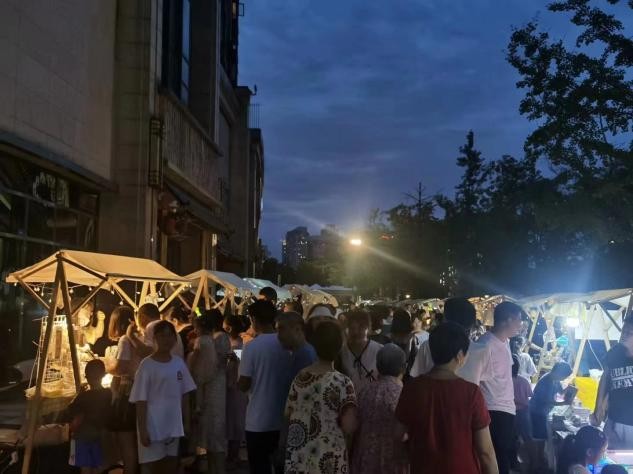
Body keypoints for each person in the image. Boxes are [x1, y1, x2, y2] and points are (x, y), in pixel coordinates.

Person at [395, 322, 498, 474]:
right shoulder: (471, 393)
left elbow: (398, 434)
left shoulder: (412, 388)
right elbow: (485, 452)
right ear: (459, 355)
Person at [284, 320, 358, 473]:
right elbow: (349, 426)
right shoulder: (343, 383)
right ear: (340, 346)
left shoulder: (300, 378)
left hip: (299, 457)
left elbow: (288, 415)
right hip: (330, 458)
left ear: (315, 345)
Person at [129, 320, 196, 473]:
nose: (166, 339)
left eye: (170, 335)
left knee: (170, 464)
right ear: (155, 338)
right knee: (150, 466)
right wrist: (143, 430)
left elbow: (185, 395)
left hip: (173, 425)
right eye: (162, 336)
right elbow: (140, 400)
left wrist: (186, 422)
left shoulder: (178, 364)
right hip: (152, 425)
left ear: (175, 339)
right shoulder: (146, 365)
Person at [238, 300, 292, 474]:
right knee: (282, 466)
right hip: (283, 418)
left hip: (258, 420)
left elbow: (244, 383)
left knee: (259, 467)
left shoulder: (252, 347)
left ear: (253, 319)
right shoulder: (287, 344)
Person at [478, 301, 524, 474]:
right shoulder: (485, 345)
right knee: (496, 459)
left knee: (503, 456)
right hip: (493, 409)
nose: (520, 324)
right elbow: (475, 380)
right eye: (519, 320)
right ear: (508, 320)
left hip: (506, 409)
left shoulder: (505, 342)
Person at [351, 344, 409, 474]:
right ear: (403, 368)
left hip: (364, 463)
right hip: (393, 465)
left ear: (377, 366)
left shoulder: (364, 392)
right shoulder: (404, 396)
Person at [410, 297, 493, 386]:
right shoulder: (482, 351)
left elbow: (415, 376)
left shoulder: (428, 346)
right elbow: (484, 380)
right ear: (472, 322)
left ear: (445, 320)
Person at [188, 310, 227, 474]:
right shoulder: (214, 339)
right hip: (215, 384)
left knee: (213, 430)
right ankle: (214, 467)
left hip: (211, 386)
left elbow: (202, 364)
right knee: (213, 431)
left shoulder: (213, 339)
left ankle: (217, 468)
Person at [103, 305, 140, 474]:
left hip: (127, 392)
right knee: (133, 442)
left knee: (126, 442)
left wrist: (106, 366)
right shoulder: (139, 337)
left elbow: (121, 368)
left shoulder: (125, 339)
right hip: (137, 391)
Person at [591, 316, 633, 449]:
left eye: (629, 332)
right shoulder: (614, 353)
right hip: (613, 419)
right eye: (623, 331)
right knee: (607, 454)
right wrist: (598, 409)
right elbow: (605, 381)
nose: (624, 335)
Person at [66, 359, 112, 474]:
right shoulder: (108, 394)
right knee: (98, 468)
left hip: (82, 437)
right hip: (100, 436)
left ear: (86, 377)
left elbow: (76, 416)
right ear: (103, 375)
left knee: (85, 468)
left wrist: (71, 431)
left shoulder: (83, 397)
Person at [223, 314, 248, 467]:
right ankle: (232, 455)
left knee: (235, 423)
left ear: (229, 328)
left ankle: (233, 456)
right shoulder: (237, 344)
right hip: (233, 388)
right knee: (233, 422)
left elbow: (239, 363)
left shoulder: (238, 346)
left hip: (235, 389)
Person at [339, 310, 383, 392]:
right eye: (352, 328)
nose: (356, 332)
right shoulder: (341, 352)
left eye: (361, 327)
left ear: (368, 328)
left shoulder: (380, 350)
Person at [530, 362, 574, 440]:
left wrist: (569, 389)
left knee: (543, 437)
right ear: (559, 372)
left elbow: (561, 392)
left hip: (544, 412)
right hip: (537, 412)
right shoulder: (546, 381)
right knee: (540, 438)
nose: (564, 379)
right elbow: (547, 401)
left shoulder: (556, 380)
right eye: (564, 376)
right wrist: (564, 403)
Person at [276, 311, 317, 382]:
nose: (278, 335)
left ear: (297, 329)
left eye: (282, 329)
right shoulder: (299, 352)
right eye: (277, 330)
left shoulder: (305, 355)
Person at [512, 354, 533, 471]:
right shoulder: (524, 380)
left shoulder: (506, 381)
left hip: (512, 413)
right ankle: (531, 463)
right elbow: (530, 395)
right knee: (527, 438)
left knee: (513, 438)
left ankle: (515, 462)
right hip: (524, 412)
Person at [389, 309, 419, 380]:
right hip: (408, 372)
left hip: (391, 371)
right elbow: (413, 355)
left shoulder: (390, 337)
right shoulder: (411, 337)